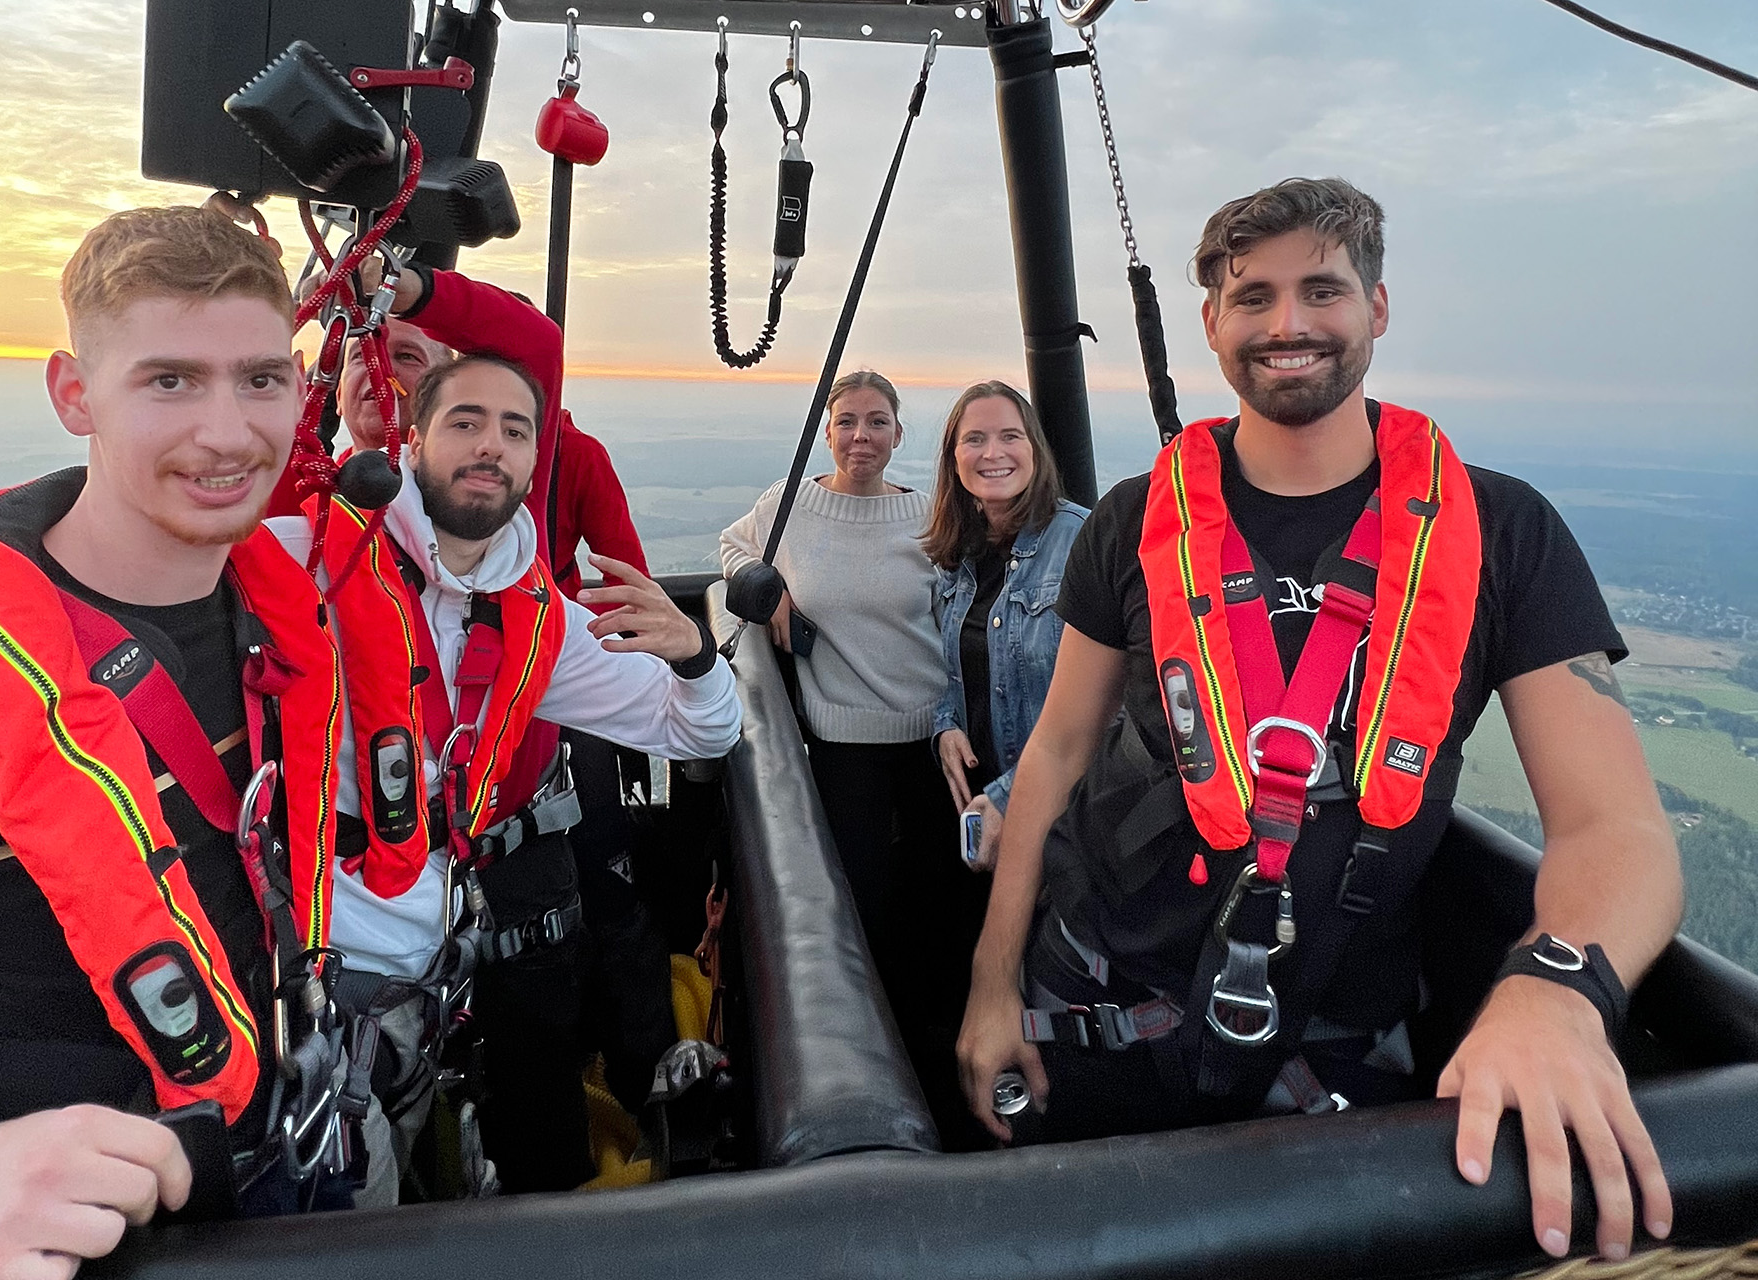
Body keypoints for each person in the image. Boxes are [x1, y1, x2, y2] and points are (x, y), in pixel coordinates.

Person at [956, 177, 1680, 1265]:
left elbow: (1614, 826)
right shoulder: (1137, 520)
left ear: (1376, 310)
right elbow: (1055, 753)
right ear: (1212, 324)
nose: (1287, 324)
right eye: (1253, 297)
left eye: (1322, 290)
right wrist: (992, 981)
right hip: (1096, 1007)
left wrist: (1559, 987)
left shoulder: (1500, 532)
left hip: (1331, 1046)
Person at [0, 206, 348, 1277]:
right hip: (31, 1242)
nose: (227, 431)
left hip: (262, 1167)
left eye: (260, 378)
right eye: (169, 380)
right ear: (75, 393)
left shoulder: (276, 620)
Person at [271, 350, 740, 1197]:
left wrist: (697, 656)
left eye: (514, 431)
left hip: (435, 953)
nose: (490, 446)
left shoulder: (535, 616)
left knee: (439, 1142)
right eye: (464, 422)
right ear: (411, 443)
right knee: (344, 1195)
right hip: (310, 963)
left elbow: (703, 728)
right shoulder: (304, 557)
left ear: (533, 461)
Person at [717, 370, 959, 1131]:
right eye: (848, 421)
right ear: (827, 431)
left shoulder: (928, 516)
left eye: (878, 423)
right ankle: (882, 1066)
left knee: (936, 905)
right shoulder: (790, 506)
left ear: (897, 435)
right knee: (862, 906)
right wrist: (768, 590)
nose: (862, 436)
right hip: (844, 742)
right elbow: (734, 548)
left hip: (932, 743)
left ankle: (938, 1058)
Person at [924, 381, 1088, 873]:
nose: (992, 452)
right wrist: (945, 726)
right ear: (954, 459)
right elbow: (954, 669)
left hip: (1058, 814)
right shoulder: (958, 555)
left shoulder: (1081, 542)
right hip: (977, 807)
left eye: (1010, 436)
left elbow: (1107, 708)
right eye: (974, 439)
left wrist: (1006, 795)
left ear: (1035, 450)